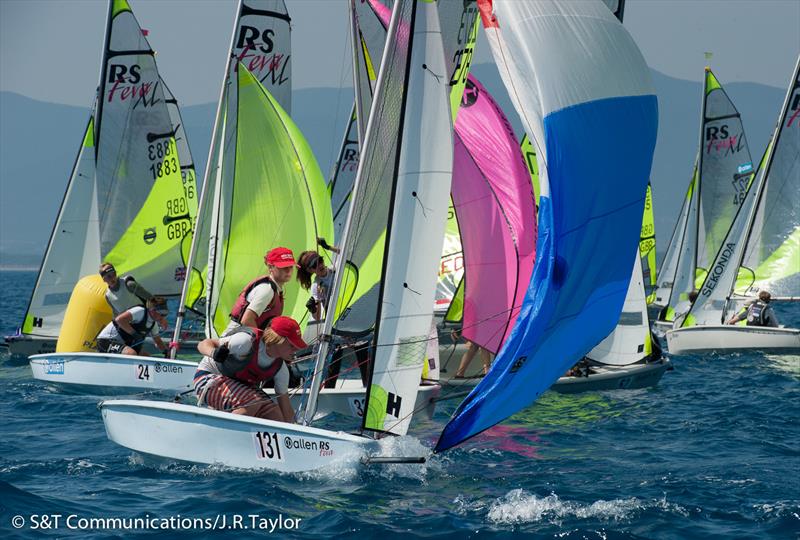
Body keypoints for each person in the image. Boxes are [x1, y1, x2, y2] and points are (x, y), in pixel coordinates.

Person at [193, 316, 307, 422]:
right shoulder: (245, 342)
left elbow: (286, 410)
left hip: (236, 387)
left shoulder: (281, 370)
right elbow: (203, 344)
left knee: (275, 414)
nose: (295, 351)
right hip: (206, 379)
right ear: (277, 340)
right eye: (291, 346)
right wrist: (213, 353)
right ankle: (221, 434)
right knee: (252, 402)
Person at [224, 247, 296, 336]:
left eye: (291, 266)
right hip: (234, 340)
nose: (288, 271)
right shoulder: (267, 290)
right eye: (284, 267)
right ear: (270, 267)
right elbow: (247, 320)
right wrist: (262, 343)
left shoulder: (275, 288)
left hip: (243, 337)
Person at [95, 297, 169, 356]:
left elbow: (158, 342)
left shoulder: (153, 324)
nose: (163, 317)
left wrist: (166, 352)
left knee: (146, 357)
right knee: (131, 353)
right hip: (106, 341)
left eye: (165, 314)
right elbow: (119, 320)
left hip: (123, 344)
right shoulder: (140, 311)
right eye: (162, 313)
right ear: (152, 310)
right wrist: (134, 334)